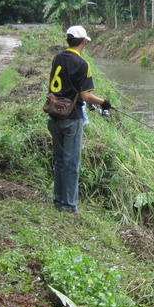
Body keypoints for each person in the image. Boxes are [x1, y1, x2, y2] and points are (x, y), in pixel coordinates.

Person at [47, 25, 112, 213]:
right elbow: (85, 96)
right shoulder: (83, 64)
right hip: (71, 117)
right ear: (83, 42)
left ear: (68, 40)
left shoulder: (58, 58)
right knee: (71, 162)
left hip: (54, 114)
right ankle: (69, 205)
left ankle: (59, 200)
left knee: (59, 160)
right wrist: (103, 102)